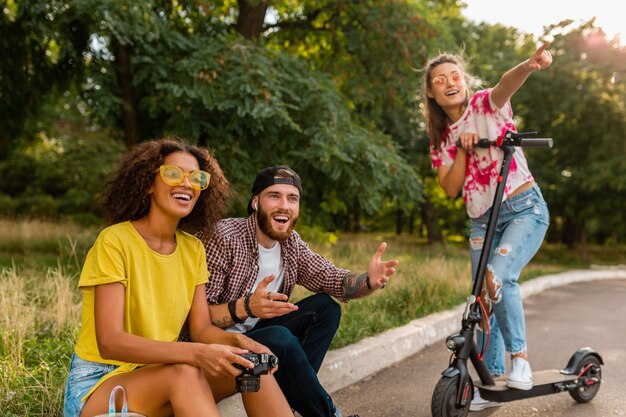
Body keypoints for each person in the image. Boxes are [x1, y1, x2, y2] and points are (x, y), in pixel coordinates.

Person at [63, 138, 293, 417]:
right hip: (100, 382)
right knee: (184, 372)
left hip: (163, 374)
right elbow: (110, 342)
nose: (186, 184)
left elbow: (201, 331)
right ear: (149, 182)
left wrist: (238, 344)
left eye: (196, 178)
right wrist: (196, 354)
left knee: (253, 365)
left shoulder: (192, 248)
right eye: (173, 174)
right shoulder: (115, 241)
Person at [200, 164, 399, 417]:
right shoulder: (224, 237)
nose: (284, 205)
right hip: (219, 346)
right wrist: (246, 307)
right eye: (274, 196)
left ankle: (293, 399)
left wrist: (369, 281)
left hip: (260, 338)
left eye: (292, 198)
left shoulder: (291, 244)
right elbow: (197, 320)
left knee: (326, 309)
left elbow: (332, 278)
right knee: (279, 337)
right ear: (255, 202)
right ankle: (327, 414)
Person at [422, 43, 552, 411]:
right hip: (481, 221)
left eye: (455, 75)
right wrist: (463, 148)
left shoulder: (484, 104)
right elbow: (449, 188)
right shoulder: (442, 137)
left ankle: (520, 360)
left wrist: (527, 65)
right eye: (439, 80)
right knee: (483, 300)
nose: (449, 82)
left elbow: (504, 85)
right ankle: (491, 379)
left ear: (464, 80)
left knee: (498, 278)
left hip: (523, 208)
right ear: (431, 92)